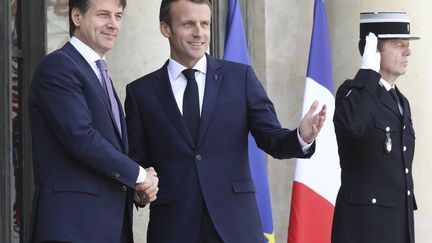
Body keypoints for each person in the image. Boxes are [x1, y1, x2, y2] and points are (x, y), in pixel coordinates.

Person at [125, 0, 327, 242]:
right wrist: (141, 193)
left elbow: (271, 138)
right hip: (173, 229)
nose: (199, 32)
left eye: (205, 24)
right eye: (188, 24)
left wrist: (301, 137)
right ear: (165, 29)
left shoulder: (239, 78)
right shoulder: (141, 92)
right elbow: (138, 163)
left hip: (236, 227)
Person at [28, 0, 158, 242]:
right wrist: (139, 175)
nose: (113, 24)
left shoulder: (99, 72)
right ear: (77, 17)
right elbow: (82, 139)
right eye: (103, 15)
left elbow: (109, 149)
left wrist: (137, 188)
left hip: (107, 229)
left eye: (118, 16)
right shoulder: (58, 67)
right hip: (72, 229)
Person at [332, 12, 419, 243]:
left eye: (407, 45)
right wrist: (368, 72)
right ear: (375, 51)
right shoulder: (352, 93)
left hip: (398, 225)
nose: (407, 52)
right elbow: (352, 126)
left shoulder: (401, 101)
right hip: (365, 228)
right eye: (399, 45)